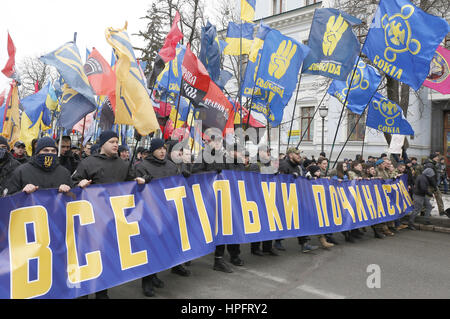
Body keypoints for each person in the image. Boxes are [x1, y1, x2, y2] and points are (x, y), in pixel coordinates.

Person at [72, 130, 146, 299]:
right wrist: (79, 183)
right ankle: (83, 292)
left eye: (117, 141)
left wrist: (141, 180)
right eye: (112, 141)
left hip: (112, 219)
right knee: (87, 256)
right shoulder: (88, 163)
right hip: (90, 219)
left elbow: (130, 184)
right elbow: (73, 183)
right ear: (103, 143)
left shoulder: (123, 164)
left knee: (106, 256)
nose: (115, 144)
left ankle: (102, 291)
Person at [134, 138, 191, 297]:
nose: (162, 151)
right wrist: (143, 183)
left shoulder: (171, 166)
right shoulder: (142, 166)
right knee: (150, 247)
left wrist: (184, 177)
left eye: (164, 149)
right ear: (152, 150)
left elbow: (177, 187)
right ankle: (147, 281)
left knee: (162, 247)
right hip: (150, 214)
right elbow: (134, 189)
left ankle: (155, 276)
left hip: (168, 213)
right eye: (159, 149)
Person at [279, 148, 321, 252]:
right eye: (296, 154)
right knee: (282, 221)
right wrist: (289, 177)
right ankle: (277, 241)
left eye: (299, 154)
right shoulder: (283, 164)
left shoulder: (298, 166)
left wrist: (306, 178)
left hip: (296, 197)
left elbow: (299, 180)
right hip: (284, 198)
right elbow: (279, 180)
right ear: (290, 155)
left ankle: (304, 244)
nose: (299, 156)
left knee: (301, 219)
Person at [7, 137, 73, 195]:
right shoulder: (21, 171)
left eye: (53, 151)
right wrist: (22, 192)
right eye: (45, 150)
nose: (50, 153)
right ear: (38, 152)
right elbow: (9, 198)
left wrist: (67, 192)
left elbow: (73, 198)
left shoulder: (64, 173)